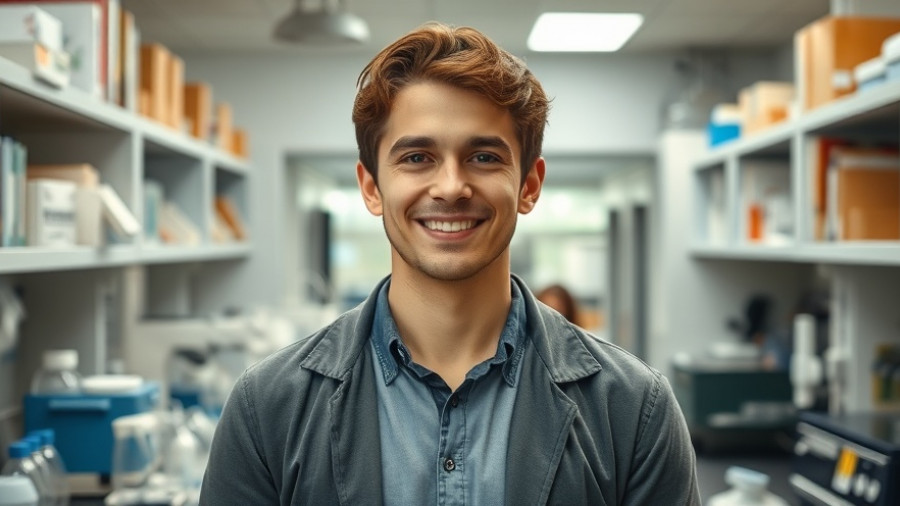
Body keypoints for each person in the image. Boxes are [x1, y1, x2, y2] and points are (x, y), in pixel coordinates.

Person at [200, 22, 700, 505]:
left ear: (529, 185)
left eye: (483, 157)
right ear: (372, 187)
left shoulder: (634, 408)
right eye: (417, 157)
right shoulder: (267, 407)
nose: (450, 186)